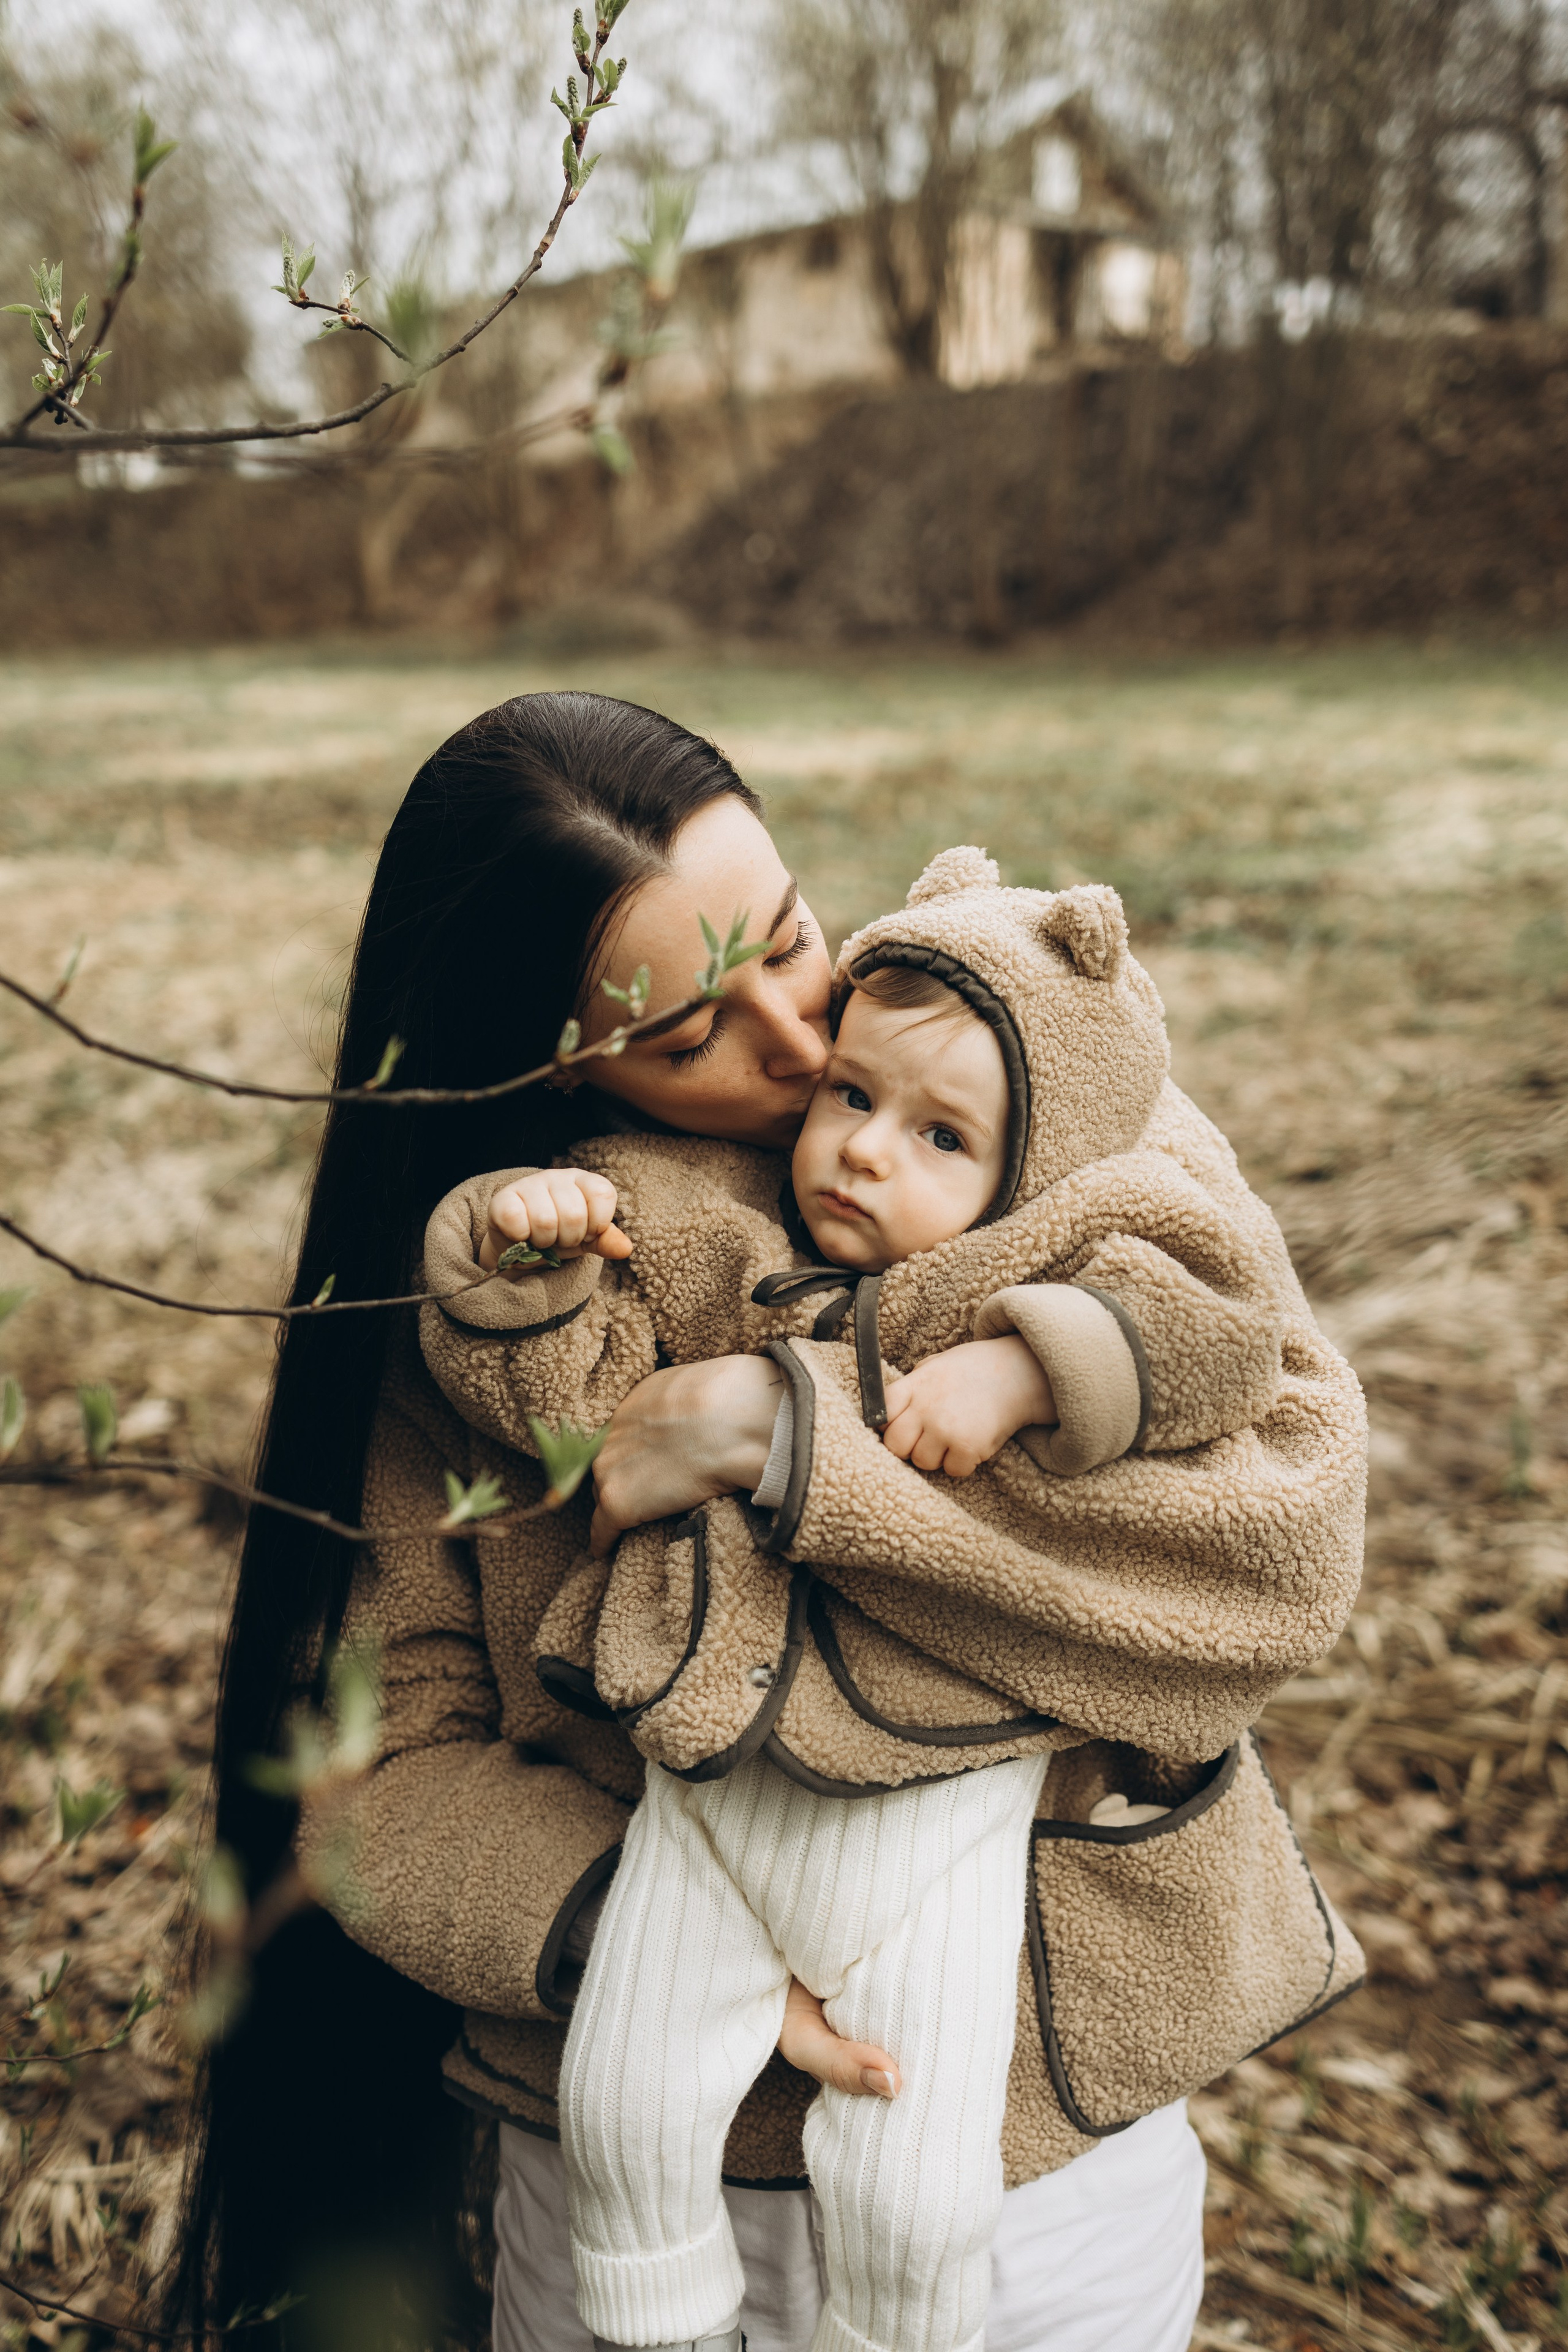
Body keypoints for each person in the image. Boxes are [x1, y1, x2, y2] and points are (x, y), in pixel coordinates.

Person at [172, 693, 1363, 2352]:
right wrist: (646, 1947)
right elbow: (375, 1786)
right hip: (622, 2172)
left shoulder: (1039, 1098)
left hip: (1031, 2162)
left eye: (791, 939)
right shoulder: (489, 1297)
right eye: (686, 1037)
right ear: (543, 1063)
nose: (803, 1053)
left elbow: (1276, 1551)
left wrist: (796, 1434)